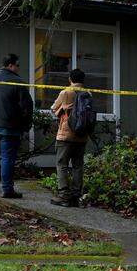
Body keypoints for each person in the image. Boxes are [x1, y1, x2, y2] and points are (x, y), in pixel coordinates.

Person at [0, 53, 34, 198]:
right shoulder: (17, 82)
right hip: (10, 128)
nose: (18, 68)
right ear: (11, 65)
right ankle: (7, 189)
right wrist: (25, 126)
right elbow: (27, 107)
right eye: (18, 65)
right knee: (7, 158)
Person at [50, 68, 91, 207]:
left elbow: (54, 109)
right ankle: (76, 195)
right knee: (78, 165)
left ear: (70, 79)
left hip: (65, 135)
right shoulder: (88, 94)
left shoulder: (66, 92)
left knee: (62, 164)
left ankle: (64, 195)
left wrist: (62, 109)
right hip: (82, 135)